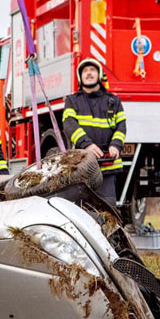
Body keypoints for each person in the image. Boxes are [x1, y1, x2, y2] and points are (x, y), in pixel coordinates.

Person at [62, 58, 127, 207]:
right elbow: (69, 124)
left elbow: (121, 126)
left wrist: (116, 145)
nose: (89, 73)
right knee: (81, 209)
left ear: (99, 75)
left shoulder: (113, 101)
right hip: (81, 166)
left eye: (92, 70)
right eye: (85, 71)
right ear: (80, 77)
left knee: (108, 209)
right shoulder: (72, 101)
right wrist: (87, 145)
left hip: (108, 167)